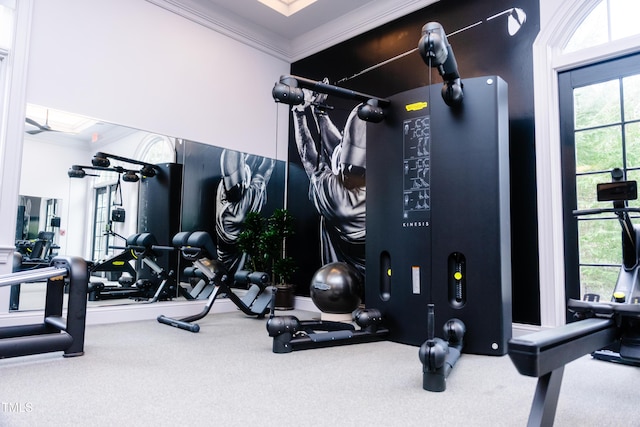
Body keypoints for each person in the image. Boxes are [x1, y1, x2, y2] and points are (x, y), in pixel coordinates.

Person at [291, 84, 367, 277]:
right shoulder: (378, 181)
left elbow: (309, 157)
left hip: (344, 281)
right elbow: (337, 150)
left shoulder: (340, 200)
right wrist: (320, 111)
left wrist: (299, 111)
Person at [215, 149, 275, 274]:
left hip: (229, 269)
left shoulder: (222, 186)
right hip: (236, 272)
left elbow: (245, 164)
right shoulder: (237, 211)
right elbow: (266, 167)